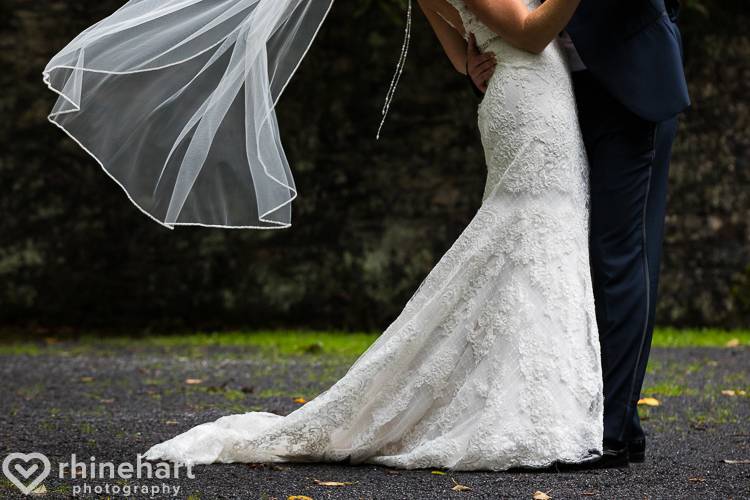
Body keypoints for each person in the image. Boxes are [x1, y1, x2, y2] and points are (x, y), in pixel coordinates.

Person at [142, 0, 608, 470]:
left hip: (530, 95)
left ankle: (532, 409)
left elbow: (460, 54)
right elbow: (529, 33)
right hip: (531, 104)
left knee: (534, 243)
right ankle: (527, 415)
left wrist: (477, 59)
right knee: (531, 238)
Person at [466, 0, 689, 466]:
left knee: (619, 252)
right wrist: (471, 56)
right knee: (581, 255)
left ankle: (611, 430)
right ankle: (609, 423)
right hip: (557, 92)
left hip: (627, 83)